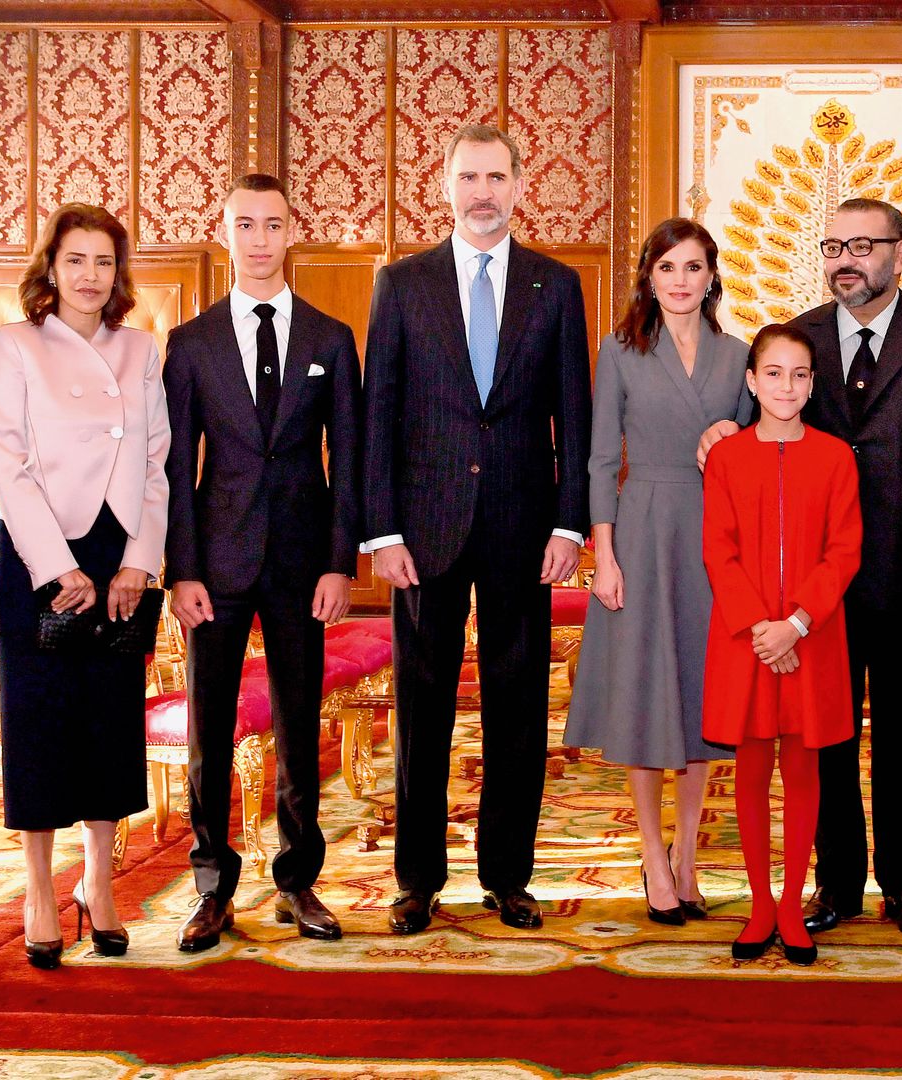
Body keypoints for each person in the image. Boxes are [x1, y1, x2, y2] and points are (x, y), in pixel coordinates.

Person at [697, 198, 902, 939]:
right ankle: (838, 882)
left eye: (862, 244)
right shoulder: (804, 338)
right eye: (832, 245)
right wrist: (720, 429)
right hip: (814, 589)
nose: (844, 259)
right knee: (824, 738)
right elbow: (752, 420)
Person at [364, 124, 592, 935]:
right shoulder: (401, 284)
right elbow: (378, 415)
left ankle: (508, 876)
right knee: (422, 710)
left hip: (524, 529)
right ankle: (417, 880)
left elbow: (576, 412)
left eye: (497, 176)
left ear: (521, 186)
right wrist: (379, 531)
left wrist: (571, 523)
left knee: (517, 707)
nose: (483, 191)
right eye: (469, 177)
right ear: (446, 185)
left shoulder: (556, 286)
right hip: (422, 535)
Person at [164, 173, 363, 951]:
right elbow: (178, 468)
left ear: (291, 234)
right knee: (210, 732)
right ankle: (212, 887)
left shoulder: (329, 338)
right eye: (244, 224)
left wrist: (338, 562)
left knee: (298, 722)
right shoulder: (191, 343)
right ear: (225, 234)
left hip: (302, 562)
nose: (258, 239)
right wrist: (182, 570)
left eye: (271, 224)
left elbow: (346, 462)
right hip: (213, 564)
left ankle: (299, 880)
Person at [0, 203, 169, 968]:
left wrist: (141, 558)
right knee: (40, 719)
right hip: (41, 550)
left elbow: (159, 461)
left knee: (109, 719)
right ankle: (37, 888)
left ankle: (100, 881)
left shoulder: (141, 348)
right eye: (75, 261)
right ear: (50, 269)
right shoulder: (16, 343)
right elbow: (7, 458)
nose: (90, 276)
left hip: (120, 549)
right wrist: (57, 565)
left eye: (103, 262)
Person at [563, 218, 752, 924]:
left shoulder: (739, 356)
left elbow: (758, 447)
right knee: (647, 700)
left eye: (693, 267)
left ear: (711, 277)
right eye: (668, 267)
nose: (680, 280)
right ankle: (651, 859)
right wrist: (602, 557)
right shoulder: (619, 351)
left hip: (712, 535)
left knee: (703, 700)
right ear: (648, 275)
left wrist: (734, 434)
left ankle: (687, 859)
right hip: (640, 531)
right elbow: (600, 460)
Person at [701, 324, 863, 965]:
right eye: (773, 373)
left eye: (799, 375)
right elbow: (720, 549)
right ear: (751, 380)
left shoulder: (835, 456)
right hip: (745, 638)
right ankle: (759, 902)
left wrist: (794, 624)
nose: (786, 386)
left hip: (812, 637)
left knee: (803, 768)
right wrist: (760, 628)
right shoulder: (727, 457)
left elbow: (843, 550)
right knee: (750, 768)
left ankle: (794, 903)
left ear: (813, 383)